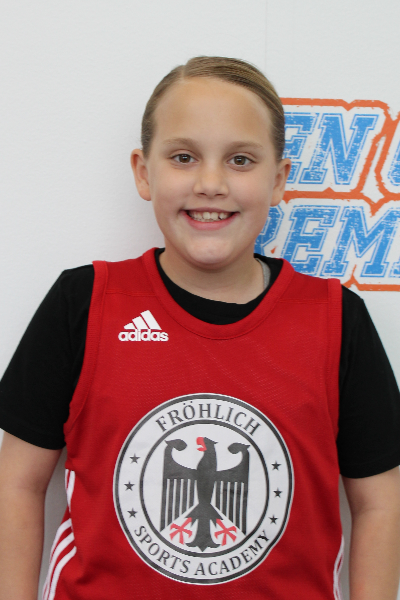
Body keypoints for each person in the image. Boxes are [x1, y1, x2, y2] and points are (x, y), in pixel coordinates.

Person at [0, 56, 399, 600]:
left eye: (240, 160)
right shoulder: (84, 303)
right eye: (184, 157)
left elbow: (379, 503)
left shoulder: (336, 318)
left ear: (279, 179)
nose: (211, 183)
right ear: (144, 172)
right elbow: (17, 484)